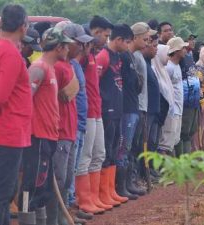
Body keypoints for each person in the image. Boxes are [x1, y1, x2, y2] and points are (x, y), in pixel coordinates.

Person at [19, 27, 74, 224]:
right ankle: (27, 218)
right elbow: (24, 100)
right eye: (66, 46)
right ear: (58, 47)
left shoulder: (50, 68)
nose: (68, 50)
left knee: (43, 188)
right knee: (32, 185)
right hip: (38, 136)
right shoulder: (39, 67)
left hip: (49, 136)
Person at [46, 22, 94, 225]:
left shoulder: (69, 65)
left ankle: (63, 215)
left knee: (66, 178)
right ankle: (55, 218)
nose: (81, 48)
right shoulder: (56, 67)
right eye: (76, 44)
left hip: (72, 128)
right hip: (61, 130)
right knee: (59, 177)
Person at [75, 15, 114, 215]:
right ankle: (84, 200)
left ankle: (95, 197)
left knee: (99, 154)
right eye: (105, 36)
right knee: (86, 156)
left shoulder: (91, 54)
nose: (106, 41)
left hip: (96, 111)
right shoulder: (83, 55)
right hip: (87, 112)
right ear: (96, 31)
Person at [0, 4, 31, 225]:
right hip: (8, 133)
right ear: (24, 27)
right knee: (3, 194)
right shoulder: (10, 52)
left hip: (7, 131)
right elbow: (1, 94)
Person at [96, 24, 134, 205]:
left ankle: (110, 191)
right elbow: (94, 83)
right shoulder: (103, 56)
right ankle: (101, 194)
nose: (128, 46)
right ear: (118, 40)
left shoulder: (117, 56)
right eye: (127, 42)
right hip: (107, 110)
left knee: (113, 150)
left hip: (118, 109)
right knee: (105, 150)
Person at [120, 22, 156, 196]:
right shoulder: (128, 57)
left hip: (138, 106)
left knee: (133, 147)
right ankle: (125, 183)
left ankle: (130, 181)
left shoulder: (135, 57)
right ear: (135, 37)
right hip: (131, 107)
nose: (148, 42)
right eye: (145, 38)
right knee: (128, 147)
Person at [158, 37, 188, 155]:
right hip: (172, 109)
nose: (185, 50)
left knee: (174, 139)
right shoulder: (169, 67)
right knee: (166, 141)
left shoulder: (177, 65)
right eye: (183, 48)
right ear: (176, 51)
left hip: (178, 108)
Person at [174, 35, 201, 156]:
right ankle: (182, 159)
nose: (191, 42)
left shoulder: (190, 57)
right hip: (185, 100)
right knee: (184, 131)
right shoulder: (178, 61)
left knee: (192, 130)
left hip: (194, 100)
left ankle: (188, 157)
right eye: (183, 47)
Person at [141, 33, 162, 180]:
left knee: (153, 142)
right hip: (146, 109)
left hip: (154, 109)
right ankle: (143, 173)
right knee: (144, 143)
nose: (156, 49)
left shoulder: (150, 63)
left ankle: (150, 170)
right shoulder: (142, 62)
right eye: (153, 46)